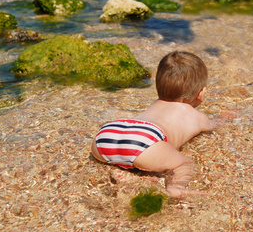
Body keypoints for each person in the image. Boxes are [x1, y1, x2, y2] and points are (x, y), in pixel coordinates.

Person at [91, 51, 216, 198]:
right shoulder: (195, 115)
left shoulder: (155, 104)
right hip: (145, 140)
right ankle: (175, 189)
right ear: (201, 93)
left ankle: (122, 170)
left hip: (108, 133)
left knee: (133, 157)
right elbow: (212, 125)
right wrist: (224, 119)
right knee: (185, 164)